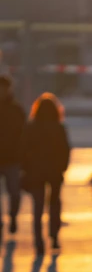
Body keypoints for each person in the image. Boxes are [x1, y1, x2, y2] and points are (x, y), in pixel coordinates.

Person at [22, 93, 70, 256]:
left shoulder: (31, 127)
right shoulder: (59, 127)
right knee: (54, 204)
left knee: (38, 207)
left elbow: (24, 150)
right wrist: (63, 167)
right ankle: (54, 237)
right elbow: (65, 150)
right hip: (55, 172)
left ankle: (38, 242)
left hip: (35, 172)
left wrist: (26, 169)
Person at [0, 75, 26, 245]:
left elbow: (25, 135)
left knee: (15, 193)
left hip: (13, 159)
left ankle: (13, 217)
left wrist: (24, 157)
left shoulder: (17, 110)